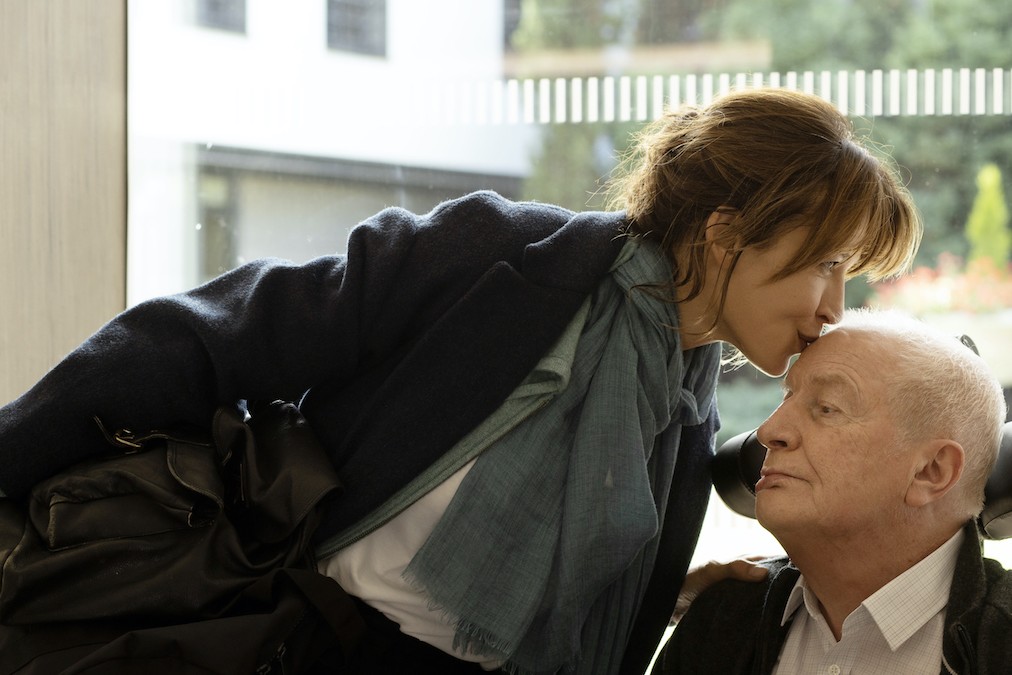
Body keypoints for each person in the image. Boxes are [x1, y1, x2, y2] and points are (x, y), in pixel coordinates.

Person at [0, 88, 920, 674]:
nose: (834, 307)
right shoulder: (505, 261)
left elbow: (555, 586)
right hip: (290, 636)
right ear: (725, 233)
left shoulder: (682, 408)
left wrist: (671, 589)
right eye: (826, 264)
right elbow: (212, 337)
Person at [655, 309, 1012, 675]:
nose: (768, 432)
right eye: (787, 397)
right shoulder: (719, 621)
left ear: (930, 471)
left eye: (827, 408)